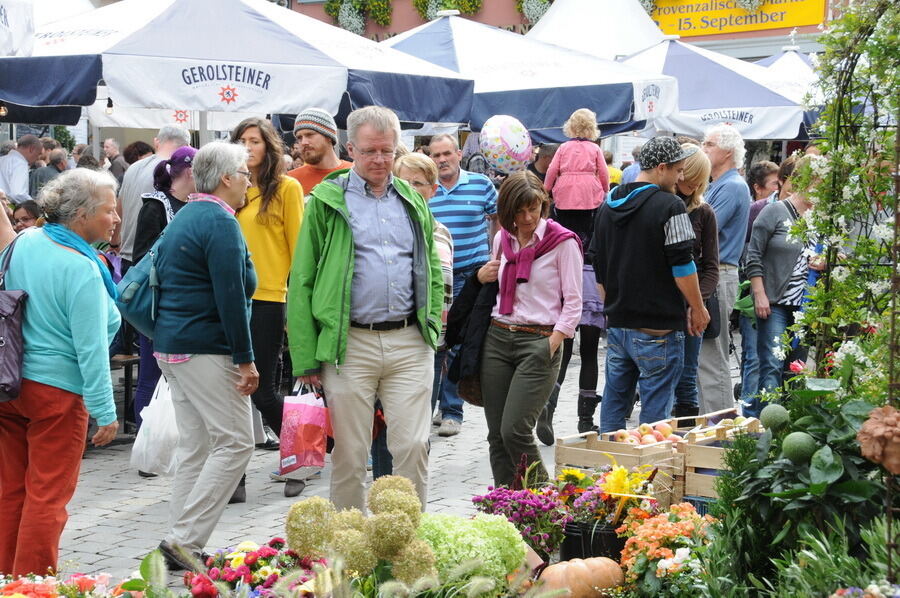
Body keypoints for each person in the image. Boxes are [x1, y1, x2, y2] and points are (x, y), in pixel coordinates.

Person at [287, 105, 442, 511]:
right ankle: (350, 546)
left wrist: (432, 324)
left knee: (412, 444)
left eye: (387, 152)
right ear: (350, 148)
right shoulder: (324, 201)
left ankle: (407, 540)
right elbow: (301, 280)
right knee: (351, 454)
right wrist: (305, 356)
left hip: (410, 342)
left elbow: (431, 268)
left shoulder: (412, 199)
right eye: (370, 151)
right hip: (349, 343)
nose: (379, 160)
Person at [0, 168, 121, 576]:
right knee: (47, 497)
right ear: (81, 216)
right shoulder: (81, 268)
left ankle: (6, 578)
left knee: (11, 491)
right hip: (57, 394)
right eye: (109, 210)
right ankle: (31, 585)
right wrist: (106, 413)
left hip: (10, 383)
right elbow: (90, 351)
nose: (117, 218)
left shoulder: (24, 242)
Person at [152, 141, 259, 571]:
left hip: (174, 345)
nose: (250, 179)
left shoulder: (187, 215)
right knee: (236, 442)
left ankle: (183, 542)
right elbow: (230, 297)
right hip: (205, 347)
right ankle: (182, 541)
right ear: (227, 178)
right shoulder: (219, 221)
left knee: (198, 447)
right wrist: (245, 358)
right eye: (245, 172)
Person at [591, 136, 710, 433]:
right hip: (659, 329)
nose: (681, 177)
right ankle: (648, 479)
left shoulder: (608, 204)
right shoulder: (671, 206)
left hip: (619, 326)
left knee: (614, 408)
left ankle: (610, 475)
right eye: (678, 170)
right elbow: (683, 264)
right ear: (661, 168)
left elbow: (598, 266)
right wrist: (698, 307)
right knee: (655, 421)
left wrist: (611, 308)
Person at [476, 171, 582, 485]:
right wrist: (482, 275)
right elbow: (492, 286)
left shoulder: (562, 242)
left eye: (533, 209)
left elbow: (574, 301)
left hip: (539, 340)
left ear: (543, 206)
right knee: (496, 435)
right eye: (518, 211)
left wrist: (553, 341)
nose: (526, 218)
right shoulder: (501, 239)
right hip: (497, 337)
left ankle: (544, 504)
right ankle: (506, 510)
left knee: (515, 430)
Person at [230, 117, 305, 500]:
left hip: (269, 299)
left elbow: (300, 250)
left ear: (268, 147)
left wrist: (298, 304)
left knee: (261, 389)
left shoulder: (287, 189)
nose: (247, 147)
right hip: (229, 301)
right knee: (231, 391)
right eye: (241, 140)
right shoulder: (231, 188)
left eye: (254, 141)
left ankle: (302, 457)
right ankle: (235, 479)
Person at [428, 133, 498, 437]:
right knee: (435, 343)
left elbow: (498, 219)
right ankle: (431, 407)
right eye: (436, 155)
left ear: (458, 154)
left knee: (457, 343)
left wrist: (496, 255)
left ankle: (452, 411)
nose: (442, 160)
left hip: (471, 275)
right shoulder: (426, 188)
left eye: (446, 153)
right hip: (435, 276)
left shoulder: (481, 184)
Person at [743, 155, 821, 414]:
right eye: (818, 184)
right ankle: (767, 429)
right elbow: (753, 255)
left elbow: (833, 252)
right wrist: (759, 294)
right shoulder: (775, 211)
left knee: (795, 369)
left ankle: (788, 427)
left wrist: (828, 261)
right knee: (772, 365)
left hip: (806, 306)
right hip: (775, 302)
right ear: (805, 181)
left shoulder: (821, 218)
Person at [130, 146, 198, 446]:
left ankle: (175, 441)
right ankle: (148, 445)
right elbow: (142, 258)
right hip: (159, 304)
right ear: (191, 171)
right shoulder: (155, 206)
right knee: (151, 374)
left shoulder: (197, 204)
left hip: (188, 307)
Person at [697, 124, 751, 414]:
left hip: (718, 274)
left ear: (728, 152)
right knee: (705, 355)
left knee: (712, 355)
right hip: (714, 273)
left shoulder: (731, 186)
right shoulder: (720, 184)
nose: (703, 149)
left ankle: (720, 429)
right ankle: (710, 427)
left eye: (709, 144)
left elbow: (704, 231)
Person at [672, 145, 719, 420]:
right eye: (692, 177)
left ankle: (685, 437)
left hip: (695, 304)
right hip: (664, 303)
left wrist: (696, 303)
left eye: (701, 180)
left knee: (688, 375)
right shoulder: (662, 205)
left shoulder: (704, 212)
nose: (696, 185)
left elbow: (712, 267)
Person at [115, 126, 191, 270]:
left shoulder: (133, 167)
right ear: (187, 146)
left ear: (156, 142)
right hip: (152, 262)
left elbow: (119, 208)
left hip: (126, 256)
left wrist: (114, 243)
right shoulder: (174, 172)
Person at [544, 108, 610, 248]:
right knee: (587, 226)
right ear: (592, 127)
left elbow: (552, 170)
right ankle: (583, 250)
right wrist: (606, 189)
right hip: (588, 193)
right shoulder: (595, 148)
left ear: (570, 126)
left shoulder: (563, 147)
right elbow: (604, 172)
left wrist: (546, 189)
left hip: (565, 192)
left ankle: (566, 248)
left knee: (564, 227)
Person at [286, 108, 351, 195]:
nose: (303, 142)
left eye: (309, 135)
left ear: (329, 137)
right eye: (299, 138)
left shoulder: (355, 174)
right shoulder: (290, 180)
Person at [0, 134, 41, 204]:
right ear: (31, 149)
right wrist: (36, 206)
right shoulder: (21, 163)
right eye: (38, 154)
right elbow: (18, 194)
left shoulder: (2, 159)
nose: (38, 158)